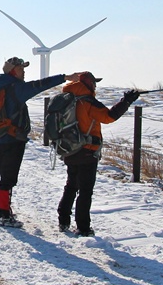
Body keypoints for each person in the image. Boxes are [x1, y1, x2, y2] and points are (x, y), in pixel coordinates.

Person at [0, 57, 84, 228]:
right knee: (8, 179)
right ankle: (2, 214)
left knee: (6, 178)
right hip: (12, 139)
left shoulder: (2, 86)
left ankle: (2, 209)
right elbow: (39, 85)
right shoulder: (15, 88)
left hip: (5, 138)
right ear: (12, 71)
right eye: (21, 68)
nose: (24, 71)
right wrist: (64, 77)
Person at [56, 72, 140, 236]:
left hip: (69, 149)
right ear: (89, 83)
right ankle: (83, 227)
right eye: (94, 83)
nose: (95, 86)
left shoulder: (66, 99)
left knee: (71, 185)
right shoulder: (88, 101)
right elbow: (109, 117)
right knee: (85, 191)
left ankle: (63, 220)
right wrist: (126, 101)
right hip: (87, 151)